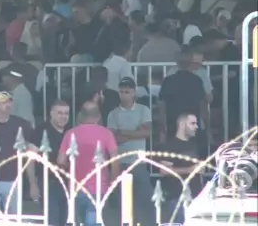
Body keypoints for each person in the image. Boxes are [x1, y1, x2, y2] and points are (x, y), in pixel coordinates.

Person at [57, 102, 119, 226]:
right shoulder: (106, 134)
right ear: (98, 116)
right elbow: (115, 161)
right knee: (93, 220)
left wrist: (70, 169)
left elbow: (60, 161)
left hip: (76, 186)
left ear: (80, 115)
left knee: (82, 219)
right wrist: (113, 183)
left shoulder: (70, 134)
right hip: (99, 186)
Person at [106, 77, 155, 226]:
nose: (124, 95)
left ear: (134, 92)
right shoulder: (113, 113)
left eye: (127, 92)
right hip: (120, 163)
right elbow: (113, 138)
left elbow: (148, 133)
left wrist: (124, 132)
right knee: (123, 202)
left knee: (146, 200)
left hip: (139, 161)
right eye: (121, 92)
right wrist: (135, 132)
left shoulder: (143, 110)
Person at [156, 113, 202, 224]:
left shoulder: (193, 144)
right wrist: (189, 170)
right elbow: (164, 170)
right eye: (192, 123)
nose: (196, 126)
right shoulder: (169, 146)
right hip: (177, 198)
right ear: (182, 125)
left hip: (195, 197)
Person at [158, 47, 209, 143]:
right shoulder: (197, 80)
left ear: (177, 61)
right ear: (191, 61)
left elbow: (162, 106)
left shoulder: (168, 80)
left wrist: (162, 128)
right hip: (192, 126)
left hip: (173, 126)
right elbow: (203, 107)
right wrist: (207, 128)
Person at [34, 100, 70, 226]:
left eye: (66, 113)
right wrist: (33, 184)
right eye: (59, 113)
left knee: (67, 220)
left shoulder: (71, 131)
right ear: (51, 113)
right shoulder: (41, 130)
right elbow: (31, 157)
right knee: (52, 220)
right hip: (47, 181)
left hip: (68, 182)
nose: (63, 116)